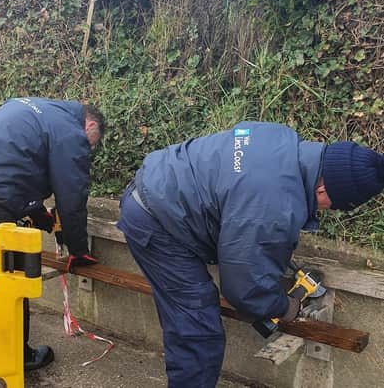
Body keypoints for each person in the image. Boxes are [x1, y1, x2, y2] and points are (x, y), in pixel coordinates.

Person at [117, 121, 384, 388]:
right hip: (156, 221)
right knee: (197, 330)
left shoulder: (280, 140)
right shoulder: (273, 205)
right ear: (324, 190)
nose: (326, 210)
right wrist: (284, 307)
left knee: (194, 317)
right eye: (333, 206)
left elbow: (242, 217)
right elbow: (243, 288)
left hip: (157, 190)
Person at [0, 97, 104, 371]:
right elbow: (72, 198)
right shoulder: (71, 131)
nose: (87, 149)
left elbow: (12, 165)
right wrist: (78, 250)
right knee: (10, 278)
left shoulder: (34, 108)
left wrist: (42, 217)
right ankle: (17, 356)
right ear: (89, 124)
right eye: (91, 143)